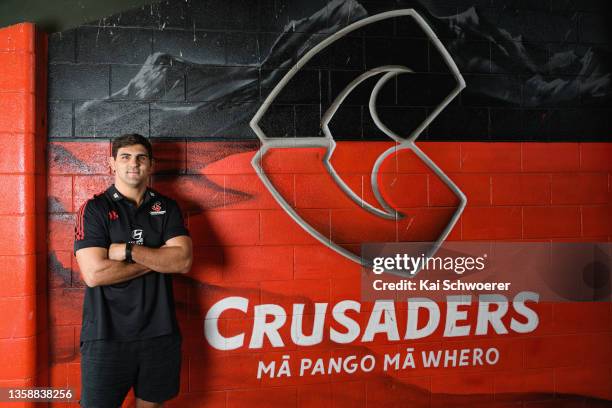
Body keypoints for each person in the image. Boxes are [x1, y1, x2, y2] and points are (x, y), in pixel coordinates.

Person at [74, 133, 193, 408]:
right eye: (125, 157)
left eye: (141, 158)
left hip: (159, 333)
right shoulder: (94, 209)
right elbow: (94, 274)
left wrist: (128, 251)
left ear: (151, 165)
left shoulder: (167, 208)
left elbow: (184, 262)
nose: (133, 164)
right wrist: (159, 258)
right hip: (106, 336)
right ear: (112, 164)